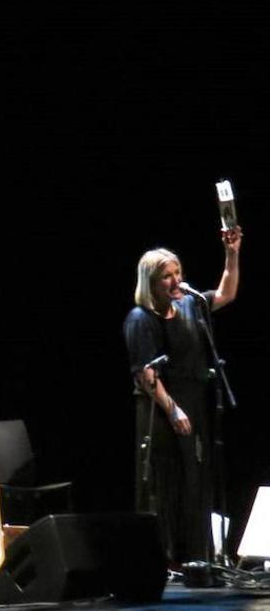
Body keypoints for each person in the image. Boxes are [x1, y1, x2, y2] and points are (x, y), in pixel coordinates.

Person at [124, 226, 241, 564]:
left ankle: (197, 558)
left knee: (194, 481)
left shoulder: (191, 305)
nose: (175, 281)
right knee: (164, 485)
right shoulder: (140, 318)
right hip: (158, 412)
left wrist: (232, 253)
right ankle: (163, 561)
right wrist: (173, 410)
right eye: (166, 277)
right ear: (151, 283)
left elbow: (226, 294)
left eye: (177, 273)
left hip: (194, 403)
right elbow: (146, 372)